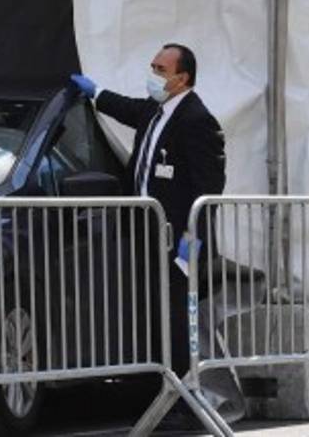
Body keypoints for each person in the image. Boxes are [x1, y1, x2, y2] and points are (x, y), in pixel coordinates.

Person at [71, 44, 233, 426]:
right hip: (147, 235)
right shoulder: (155, 110)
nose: (154, 74)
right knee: (153, 318)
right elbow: (126, 108)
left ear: (182, 78)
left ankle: (186, 402)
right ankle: (160, 393)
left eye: (161, 69)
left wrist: (194, 239)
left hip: (177, 241)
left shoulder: (196, 120)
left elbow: (209, 188)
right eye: (153, 67)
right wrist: (95, 93)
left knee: (177, 321)